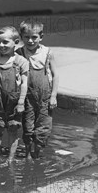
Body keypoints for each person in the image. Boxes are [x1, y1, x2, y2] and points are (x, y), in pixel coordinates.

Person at [16, 19, 59, 159]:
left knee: (43, 127)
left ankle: (37, 154)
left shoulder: (47, 53)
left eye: (34, 37)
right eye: (26, 37)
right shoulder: (19, 53)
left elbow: (55, 74)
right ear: (21, 37)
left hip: (45, 96)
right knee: (28, 127)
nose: (30, 41)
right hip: (27, 97)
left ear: (41, 37)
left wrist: (53, 96)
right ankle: (28, 155)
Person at [0, 26, 29, 162]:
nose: (1, 45)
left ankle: (10, 159)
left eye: (5, 42)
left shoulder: (21, 61)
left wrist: (21, 102)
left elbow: (24, 84)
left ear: (16, 42)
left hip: (14, 102)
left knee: (13, 129)